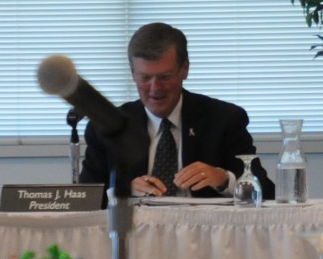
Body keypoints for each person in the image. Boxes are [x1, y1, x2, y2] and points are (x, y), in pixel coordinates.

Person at [80, 22, 275, 199]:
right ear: (132, 73)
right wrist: (123, 190)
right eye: (145, 78)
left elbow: (266, 191)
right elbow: (84, 198)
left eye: (164, 77)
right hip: (133, 234)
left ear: (185, 69)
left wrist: (223, 179)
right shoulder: (108, 127)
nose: (155, 88)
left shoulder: (224, 119)